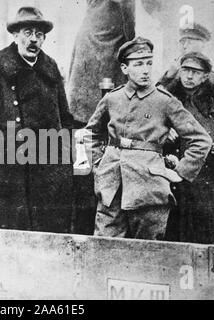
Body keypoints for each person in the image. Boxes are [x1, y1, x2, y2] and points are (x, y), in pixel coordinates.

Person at [85, 37, 212, 240]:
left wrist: (180, 172)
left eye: (149, 63)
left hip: (149, 188)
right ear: (125, 69)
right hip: (111, 187)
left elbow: (202, 140)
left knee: (147, 255)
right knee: (104, 249)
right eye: (138, 64)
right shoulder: (112, 98)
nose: (146, 70)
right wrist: (98, 165)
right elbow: (90, 132)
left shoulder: (165, 101)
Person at [0, 7, 74, 233]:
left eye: (39, 34)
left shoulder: (50, 70)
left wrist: (62, 165)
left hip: (47, 181)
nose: (34, 39)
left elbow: (65, 120)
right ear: (15, 35)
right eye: (28, 32)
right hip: (6, 182)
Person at [67, 0, 135, 235]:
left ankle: (84, 233)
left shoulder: (90, 21)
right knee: (95, 180)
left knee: (85, 176)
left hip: (82, 113)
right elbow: (130, 35)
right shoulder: (118, 16)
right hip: (93, 117)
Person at [163, 52, 214, 281]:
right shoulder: (167, 95)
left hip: (210, 173)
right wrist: (164, 132)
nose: (189, 76)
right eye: (185, 70)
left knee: (210, 221)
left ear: (205, 76)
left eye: (195, 72)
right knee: (177, 224)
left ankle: (213, 274)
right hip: (176, 168)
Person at [158, 22, 214, 96]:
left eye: (190, 43)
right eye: (182, 42)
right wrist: (168, 77)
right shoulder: (173, 72)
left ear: (202, 46)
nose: (184, 46)